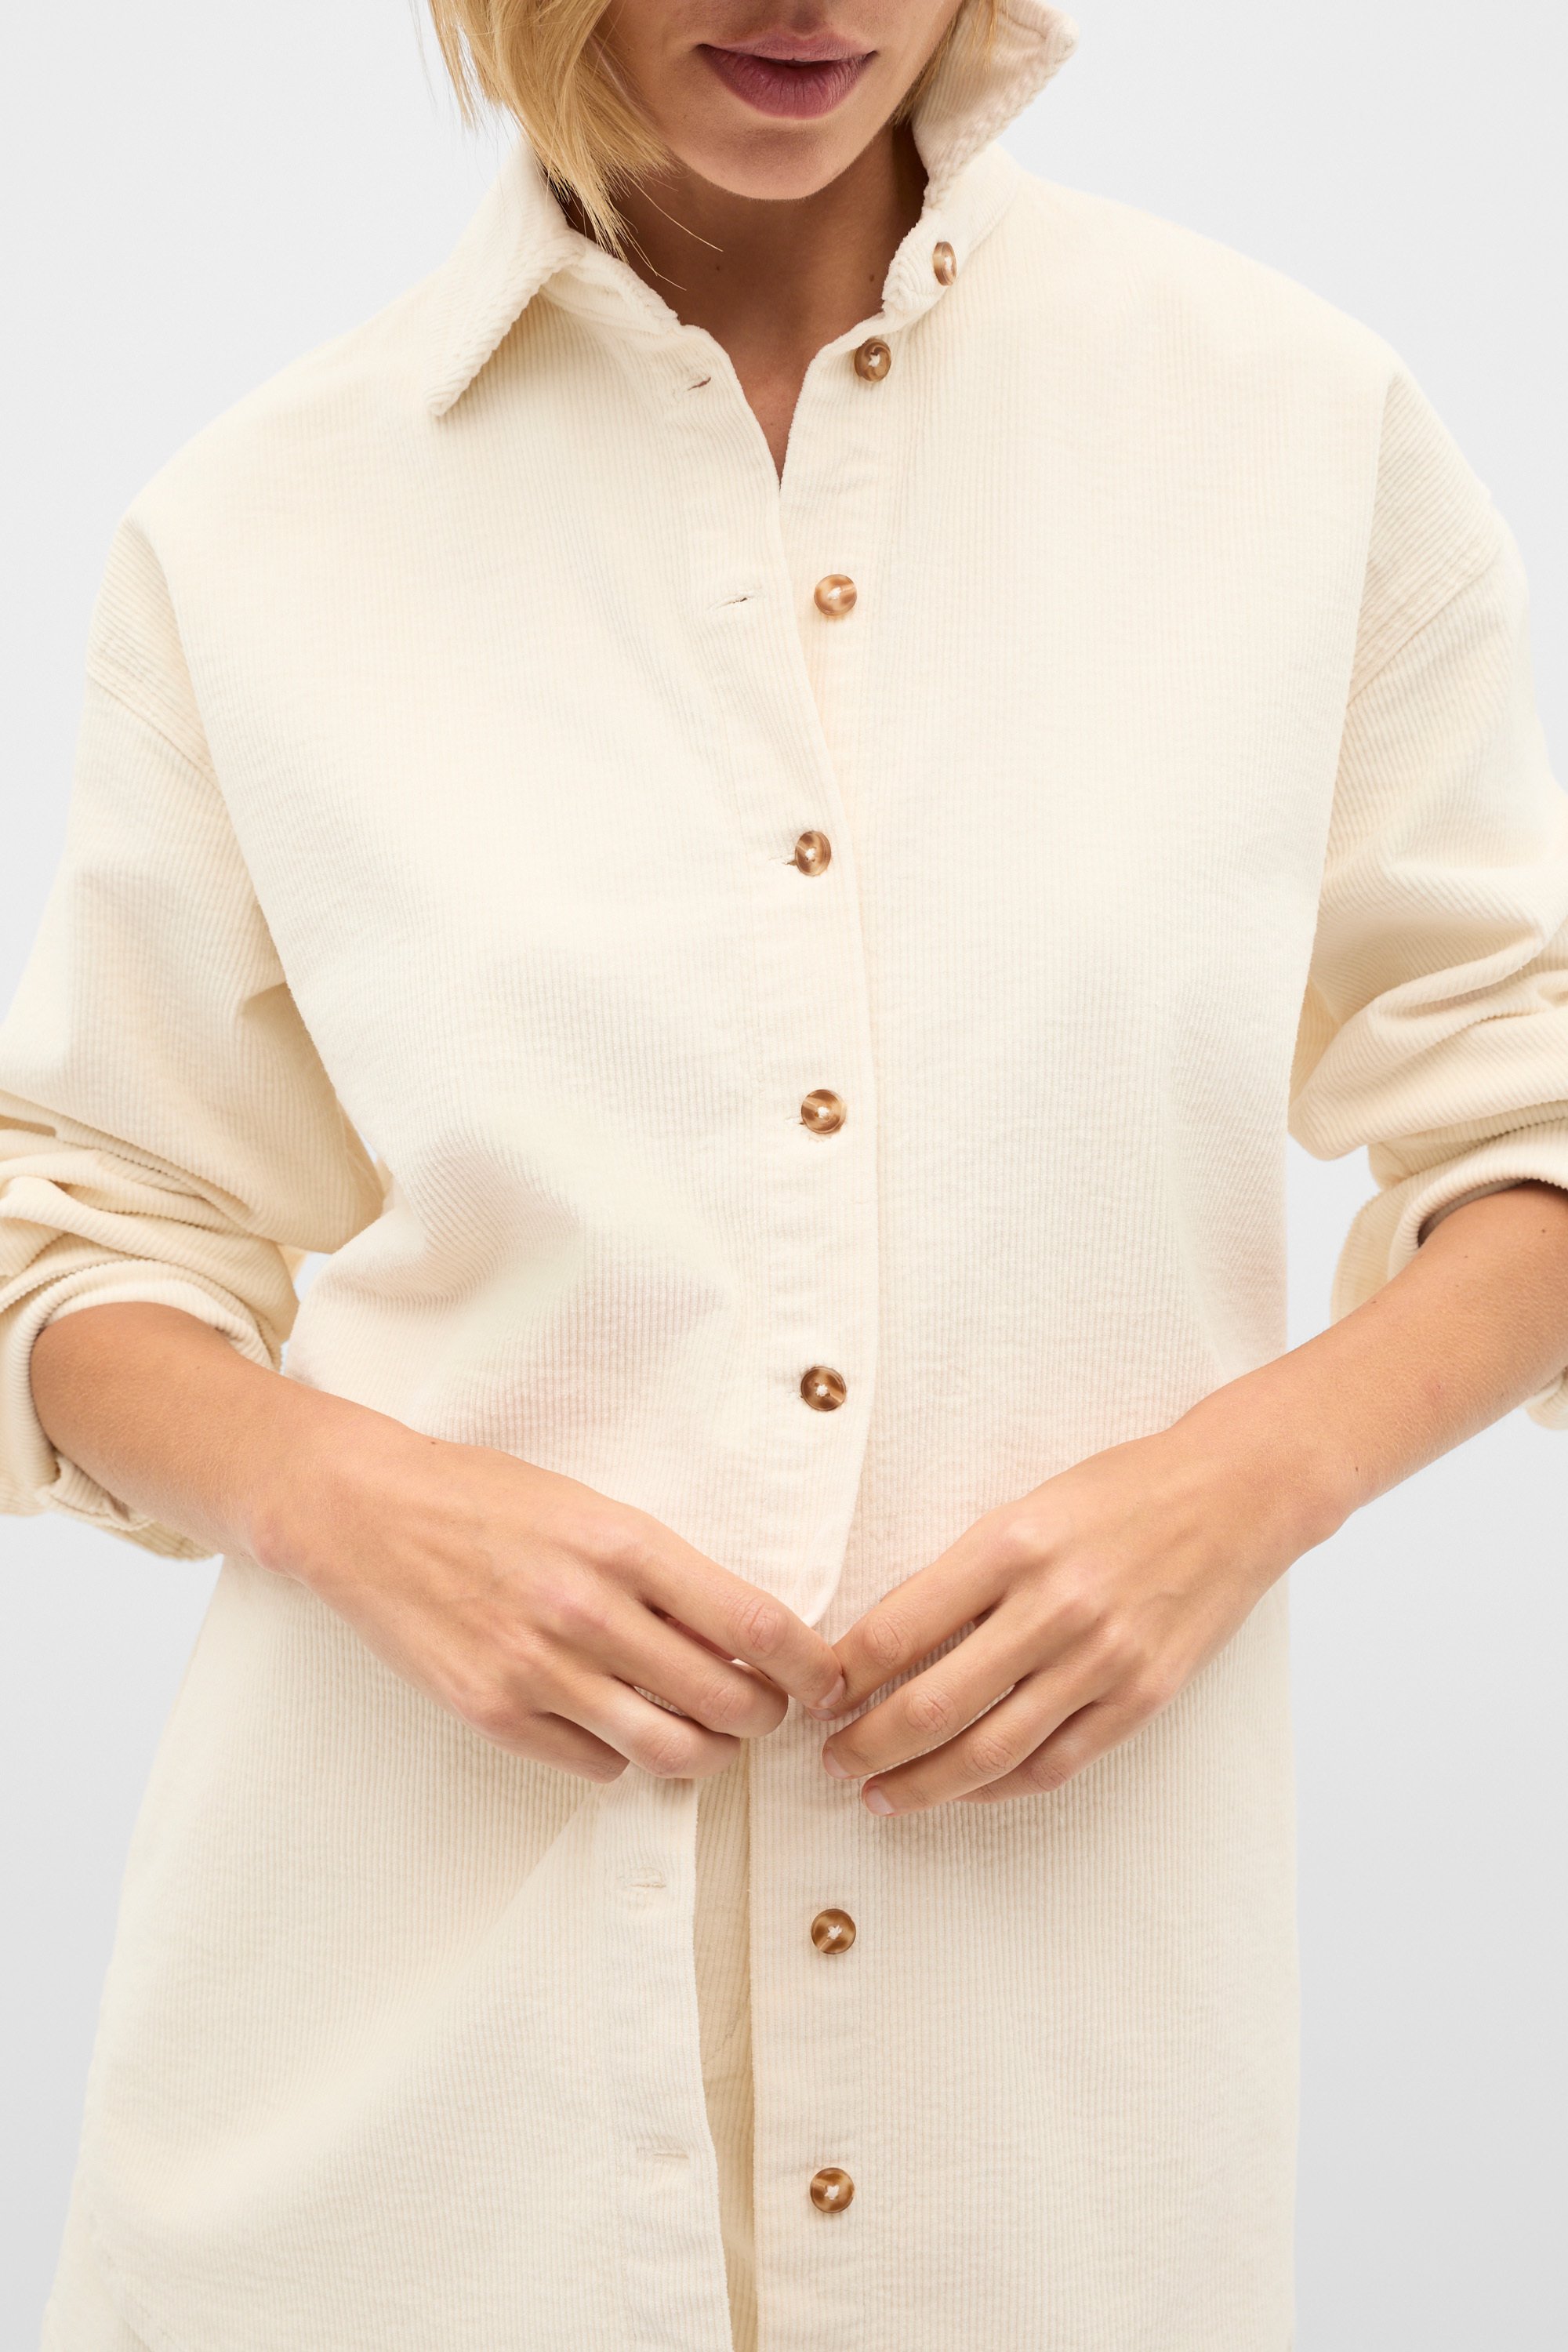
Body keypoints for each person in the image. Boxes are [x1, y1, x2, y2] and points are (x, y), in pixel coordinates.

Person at [8, 4, 1568, 2347]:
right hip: (402, 2132)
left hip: (1048, 2141)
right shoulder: (263, 524)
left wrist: (1243, 1490)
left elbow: (1529, 1107)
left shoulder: (1288, 430)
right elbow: (86, 1224)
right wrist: (347, 1503)